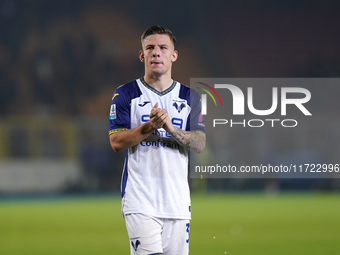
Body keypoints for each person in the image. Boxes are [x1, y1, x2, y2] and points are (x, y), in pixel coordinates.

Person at [108, 25, 206, 255]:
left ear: (174, 55)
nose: (156, 52)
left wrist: (170, 127)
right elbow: (116, 142)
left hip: (178, 203)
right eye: (150, 47)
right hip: (140, 200)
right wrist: (149, 126)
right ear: (142, 55)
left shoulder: (189, 97)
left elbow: (200, 144)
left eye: (163, 47)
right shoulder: (125, 94)